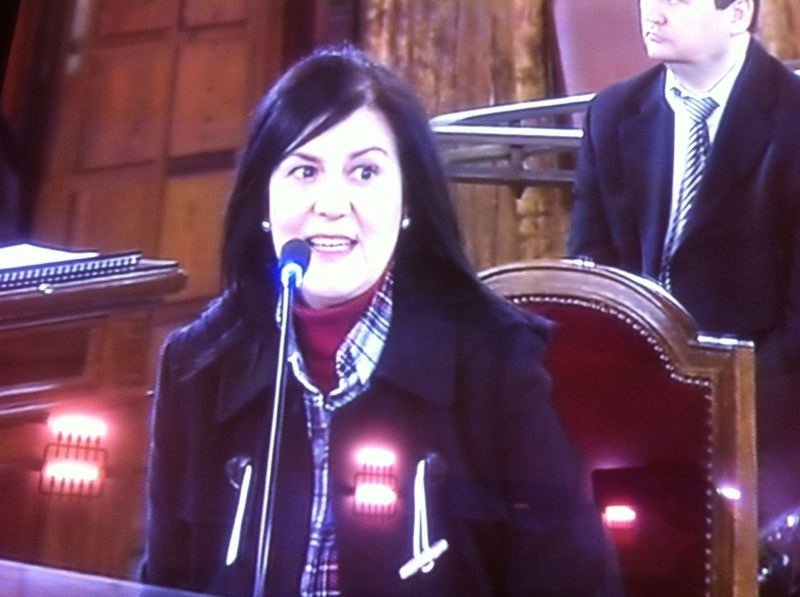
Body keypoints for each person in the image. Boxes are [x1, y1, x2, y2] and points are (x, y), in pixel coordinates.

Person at [142, 46, 619, 596]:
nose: (331, 204)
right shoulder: (196, 366)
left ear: (408, 201)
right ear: (263, 204)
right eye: (304, 171)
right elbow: (164, 580)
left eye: (364, 172)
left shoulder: (500, 363)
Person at [568, 0, 800, 528]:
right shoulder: (613, 113)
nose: (652, 13)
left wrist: (718, 393)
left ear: (737, 13)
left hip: (770, 403)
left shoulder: (793, 118)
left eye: (676, 0)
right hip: (638, 394)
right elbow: (592, 268)